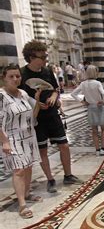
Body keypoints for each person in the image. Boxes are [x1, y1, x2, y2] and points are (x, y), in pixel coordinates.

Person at [19, 40, 81, 193]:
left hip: (52, 114)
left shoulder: (47, 71)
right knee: (42, 150)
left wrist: (54, 96)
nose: (46, 59)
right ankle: (50, 179)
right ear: (31, 57)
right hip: (36, 118)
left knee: (64, 145)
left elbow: (55, 89)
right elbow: (20, 97)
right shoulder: (22, 74)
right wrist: (36, 104)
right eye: (43, 56)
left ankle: (68, 175)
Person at [0, 64, 42, 219]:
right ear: (4, 78)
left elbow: (33, 115)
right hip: (11, 138)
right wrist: (4, 141)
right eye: (11, 76)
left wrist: (37, 101)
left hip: (29, 136)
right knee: (19, 170)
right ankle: (22, 204)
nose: (15, 79)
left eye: (17, 76)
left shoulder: (23, 93)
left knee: (28, 166)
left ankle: (26, 192)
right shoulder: (1, 96)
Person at [71, 65, 104, 156]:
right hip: (98, 107)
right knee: (103, 128)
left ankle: (97, 150)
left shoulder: (83, 84)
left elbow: (73, 94)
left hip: (90, 107)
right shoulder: (97, 83)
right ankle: (103, 148)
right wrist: (103, 101)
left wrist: (82, 101)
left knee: (94, 130)